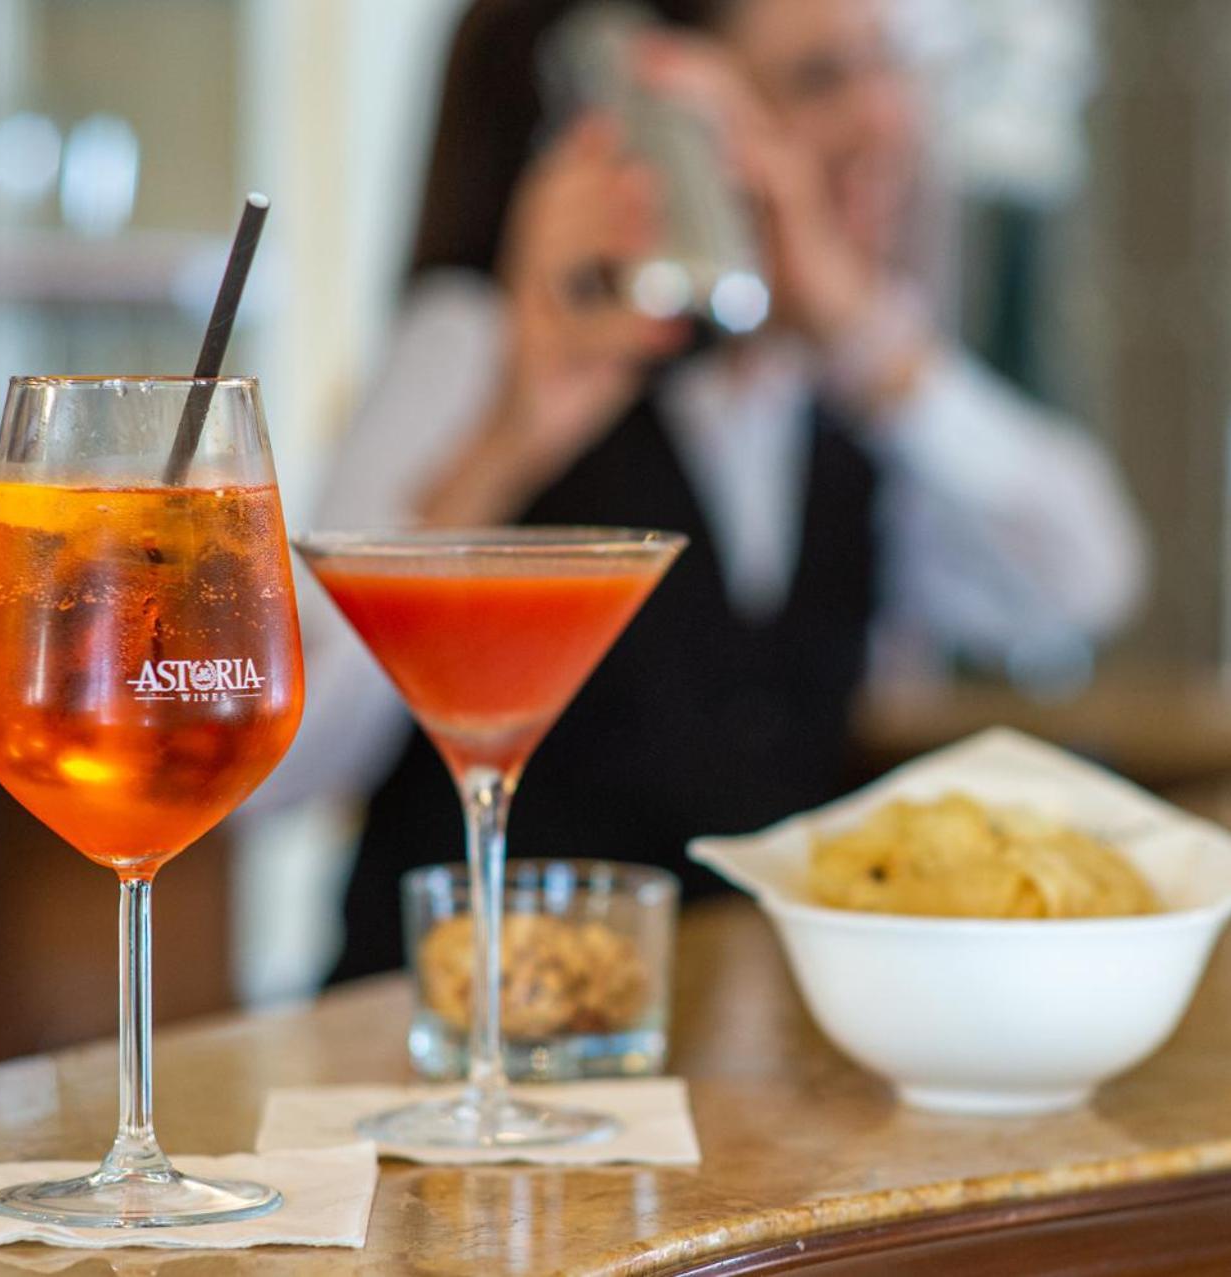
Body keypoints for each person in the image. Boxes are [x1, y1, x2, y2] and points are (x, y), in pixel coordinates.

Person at [261, 0, 1147, 982]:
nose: (888, 119)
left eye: (885, 69)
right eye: (818, 81)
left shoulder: (852, 398)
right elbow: (274, 764)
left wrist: (867, 333)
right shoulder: (477, 341)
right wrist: (507, 439)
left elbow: (1086, 579)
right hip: (441, 1028)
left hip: (720, 1072)